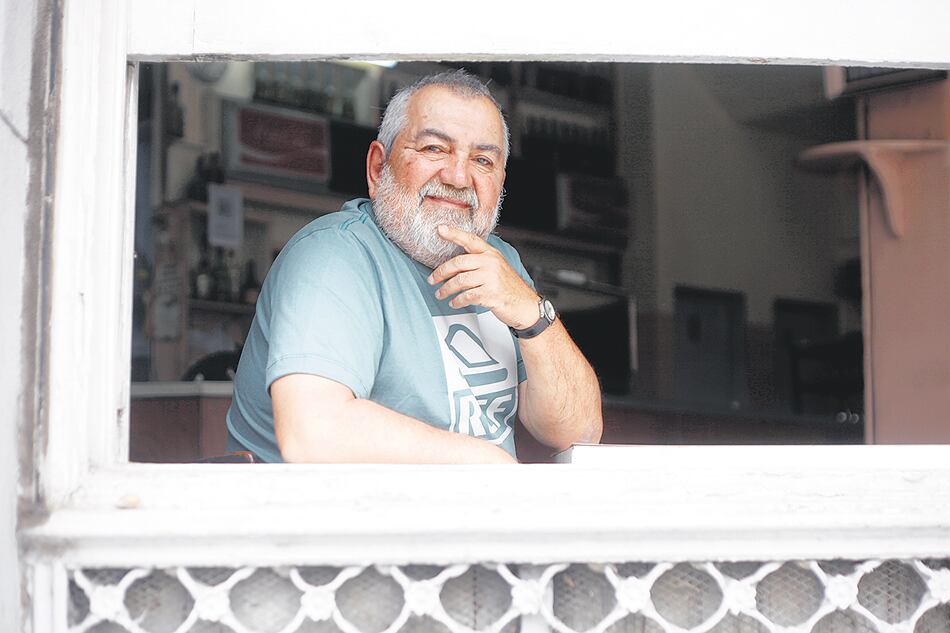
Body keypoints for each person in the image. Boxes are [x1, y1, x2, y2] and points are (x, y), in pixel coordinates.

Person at [226, 70, 602, 463]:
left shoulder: (501, 263)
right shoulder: (332, 256)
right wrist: (484, 463)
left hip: (469, 502)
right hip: (338, 506)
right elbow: (312, 432)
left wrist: (532, 315)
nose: (459, 177)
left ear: (501, 181)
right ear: (378, 167)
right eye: (435, 149)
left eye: (482, 160)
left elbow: (580, 432)